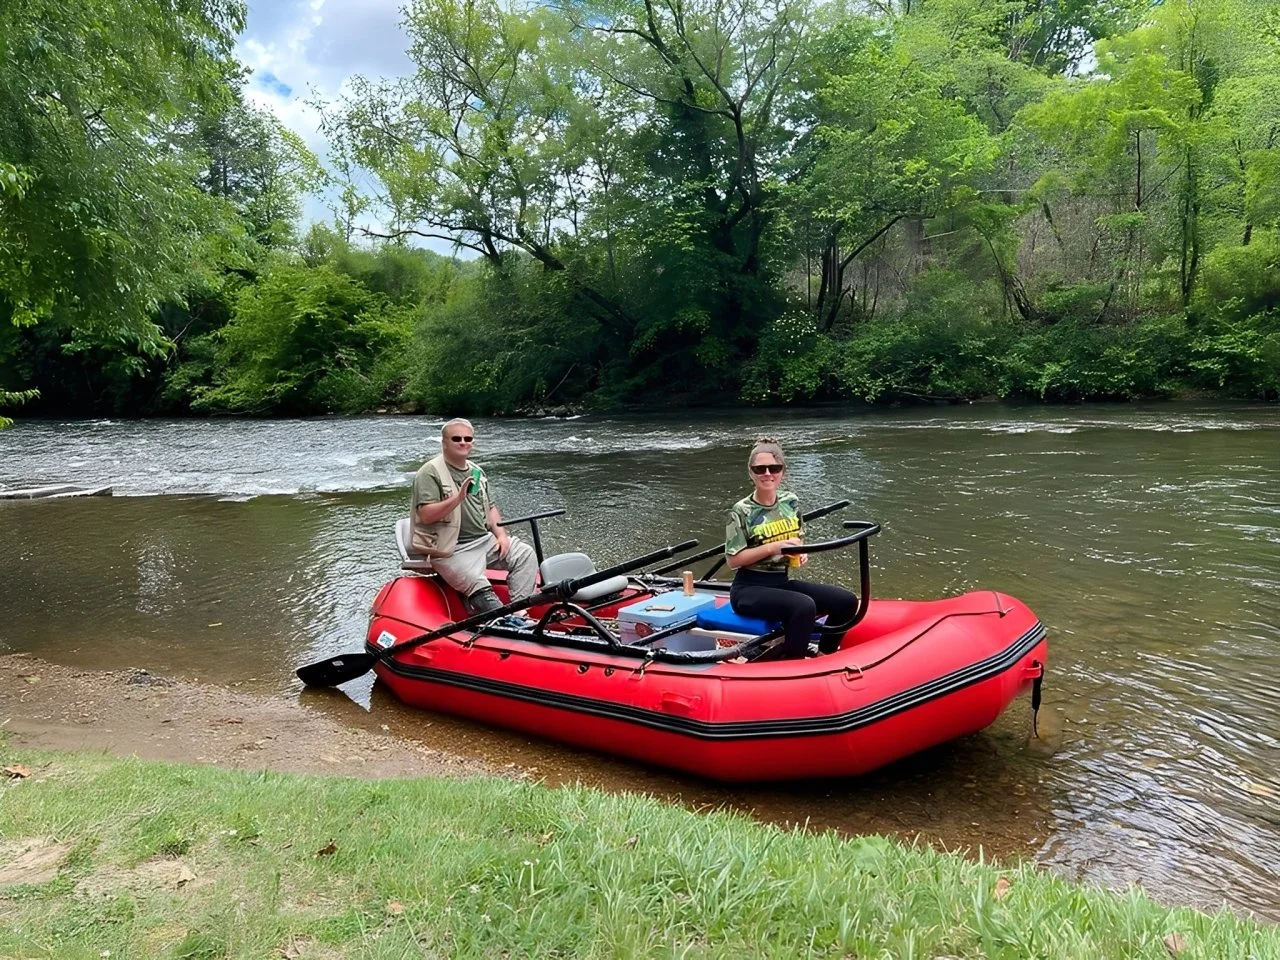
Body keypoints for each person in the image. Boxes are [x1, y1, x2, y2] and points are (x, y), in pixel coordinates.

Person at [724, 438, 857, 659]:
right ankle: (793, 664)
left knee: (846, 601)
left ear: (782, 471)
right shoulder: (741, 510)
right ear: (751, 473)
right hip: (748, 589)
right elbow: (733, 560)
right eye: (760, 469)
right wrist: (773, 548)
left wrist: (801, 551)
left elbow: (797, 538)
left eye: (774, 468)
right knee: (803, 606)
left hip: (781, 582)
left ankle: (824, 655)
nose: (767, 473)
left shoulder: (790, 502)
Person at [409, 418, 538, 614]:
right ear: (444, 442)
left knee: (525, 554)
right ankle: (500, 620)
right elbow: (425, 516)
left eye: (468, 438)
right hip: (449, 549)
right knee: (478, 584)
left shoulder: (477, 471)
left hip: (483, 541)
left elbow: (490, 507)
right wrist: (457, 498)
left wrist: (501, 535)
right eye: (456, 438)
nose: (463, 442)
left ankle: (519, 612)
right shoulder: (429, 472)